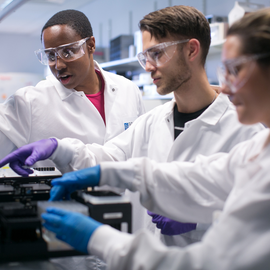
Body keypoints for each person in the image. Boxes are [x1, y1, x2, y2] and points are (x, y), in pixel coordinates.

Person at [0, 5, 264, 248]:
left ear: (192, 50)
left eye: (157, 54)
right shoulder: (154, 121)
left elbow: (257, 220)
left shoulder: (249, 133)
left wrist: (202, 220)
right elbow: (112, 159)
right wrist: (59, 149)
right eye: (145, 56)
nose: (148, 66)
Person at [0, 9, 144, 270]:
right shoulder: (30, 102)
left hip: (126, 239)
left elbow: (139, 153)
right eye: (51, 55)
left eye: (67, 52)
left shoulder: (127, 90)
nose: (58, 64)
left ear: (90, 45)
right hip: (66, 251)